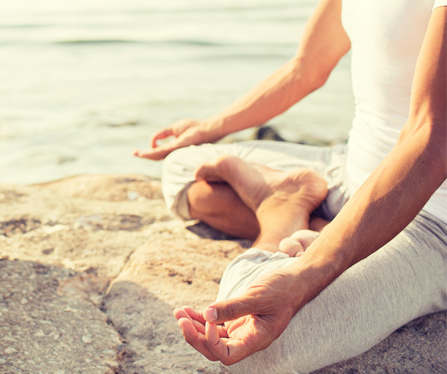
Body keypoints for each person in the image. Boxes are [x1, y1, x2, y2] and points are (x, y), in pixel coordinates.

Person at [135, 0, 446, 372]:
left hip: (429, 218)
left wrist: (307, 274)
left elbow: (431, 141)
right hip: (348, 172)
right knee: (184, 168)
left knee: (252, 345)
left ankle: (282, 216)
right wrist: (209, 128)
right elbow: (306, 68)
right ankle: (322, 221)